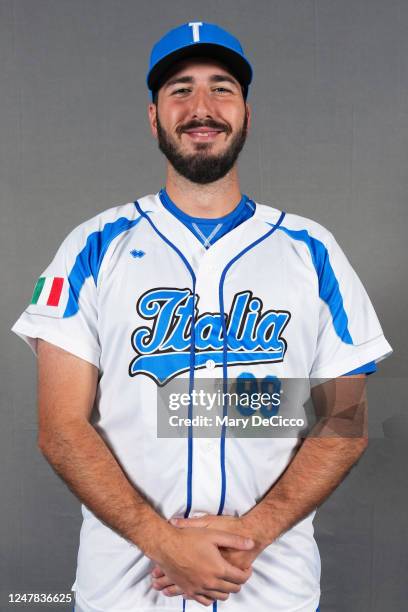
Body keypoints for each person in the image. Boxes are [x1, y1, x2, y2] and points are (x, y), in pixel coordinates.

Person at [10, 21, 392, 612]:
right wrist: (163, 542)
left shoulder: (311, 250)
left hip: (268, 587)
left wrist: (250, 536)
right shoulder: (93, 245)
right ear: (154, 117)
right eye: (180, 90)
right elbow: (61, 428)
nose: (201, 107)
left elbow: (343, 424)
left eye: (221, 88)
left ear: (246, 112)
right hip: (126, 591)